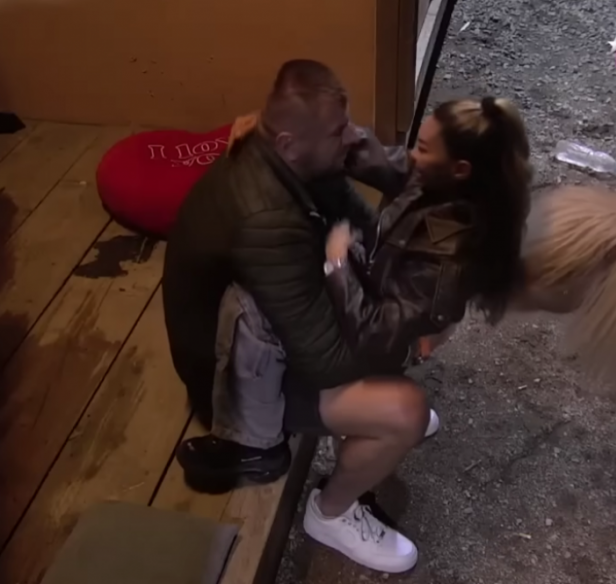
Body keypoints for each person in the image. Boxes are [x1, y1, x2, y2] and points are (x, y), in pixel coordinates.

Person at [185, 95, 533, 573]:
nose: (410, 155)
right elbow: (370, 155)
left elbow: (374, 330)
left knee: (405, 413)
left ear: (461, 170)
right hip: (311, 353)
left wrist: (337, 263)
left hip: (354, 342)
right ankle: (327, 462)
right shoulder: (446, 189)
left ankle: (330, 504)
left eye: (424, 148)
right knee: (400, 407)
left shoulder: (451, 253)